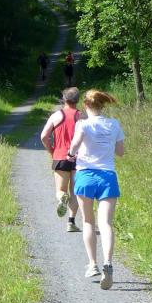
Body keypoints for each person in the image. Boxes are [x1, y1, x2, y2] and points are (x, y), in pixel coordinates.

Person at [66, 90, 125, 290]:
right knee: (106, 223)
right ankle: (108, 262)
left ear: (85, 105)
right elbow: (120, 152)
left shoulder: (83, 124)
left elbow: (74, 147)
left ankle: (93, 264)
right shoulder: (114, 124)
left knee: (88, 221)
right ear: (103, 105)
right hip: (107, 177)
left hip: (86, 176)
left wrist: (70, 153)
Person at [40, 87, 82, 232]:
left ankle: (62, 198)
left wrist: (52, 151)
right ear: (77, 100)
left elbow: (44, 137)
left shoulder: (56, 116)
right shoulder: (82, 117)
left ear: (64, 99)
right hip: (79, 159)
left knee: (61, 190)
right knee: (75, 192)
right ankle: (71, 222)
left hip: (60, 157)